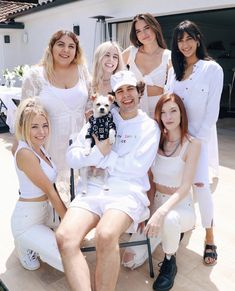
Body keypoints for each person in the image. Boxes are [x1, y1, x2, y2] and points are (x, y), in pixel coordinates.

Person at [55, 70, 160, 291]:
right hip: (92, 188)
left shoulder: (149, 127)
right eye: (120, 91)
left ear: (139, 92)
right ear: (113, 96)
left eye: (130, 89)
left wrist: (102, 157)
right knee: (65, 238)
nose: (126, 95)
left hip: (126, 192)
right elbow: (72, 157)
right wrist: (97, 154)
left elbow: (135, 168)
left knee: (105, 234)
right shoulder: (100, 117)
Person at [166, 20, 224, 265]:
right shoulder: (174, 70)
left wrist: (193, 141)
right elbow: (168, 102)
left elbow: (212, 113)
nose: (185, 44)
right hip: (175, 139)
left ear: (198, 39)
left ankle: (210, 237)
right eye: (180, 40)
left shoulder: (212, 69)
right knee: (176, 186)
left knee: (201, 188)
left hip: (199, 140)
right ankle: (180, 224)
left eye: (189, 38)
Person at [18, 30, 91, 204]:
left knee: (79, 202)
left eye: (71, 46)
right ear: (51, 47)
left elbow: (90, 103)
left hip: (79, 147)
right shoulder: (36, 75)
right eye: (61, 44)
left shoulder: (82, 70)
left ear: (77, 51)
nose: (66, 50)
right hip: (48, 148)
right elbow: (23, 117)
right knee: (51, 203)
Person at [146, 93, 200, 290]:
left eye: (173, 111)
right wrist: (150, 208)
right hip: (158, 202)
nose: (168, 117)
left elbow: (186, 186)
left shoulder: (192, 144)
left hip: (179, 205)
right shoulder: (156, 140)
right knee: (130, 260)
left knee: (170, 220)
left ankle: (170, 261)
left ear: (181, 113)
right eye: (163, 112)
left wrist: (161, 213)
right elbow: (150, 179)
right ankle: (170, 235)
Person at [11, 98, 66, 272]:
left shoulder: (39, 146)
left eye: (45, 125)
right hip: (27, 220)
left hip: (45, 212)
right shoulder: (26, 152)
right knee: (68, 260)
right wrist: (67, 220)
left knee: (74, 241)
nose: (42, 132)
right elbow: (49, 190)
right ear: (23, 127)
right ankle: (24, 243)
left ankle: (40, 238)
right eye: (34, 126)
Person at [122, 13, 171, 118]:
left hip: (159, 114)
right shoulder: (130, 53)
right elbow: (111, 73)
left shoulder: (168, 56)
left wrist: (161, 90)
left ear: (155, 27)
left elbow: (174, 90)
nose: (143, 34)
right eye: (138, 31)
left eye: (146, 28)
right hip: (133, 113)